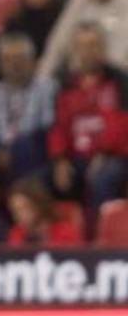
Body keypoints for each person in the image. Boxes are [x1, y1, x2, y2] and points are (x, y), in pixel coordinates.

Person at [47, 22, 128, 208]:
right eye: (82, 46)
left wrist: (104, 153)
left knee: (103, 178)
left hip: (115, 156)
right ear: (74, 51)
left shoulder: (120, 81)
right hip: (77, 158)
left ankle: (100, 228)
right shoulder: (65, 85)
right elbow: (58, 127)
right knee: (37, 183)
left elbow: (123, 125)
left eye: (93, 45)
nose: (88, 52)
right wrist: (60, 160)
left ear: (103, 48)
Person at [0, 32, 57, 181]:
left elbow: (48, 126)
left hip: (34, 152)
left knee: (25, 146)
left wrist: (14, 151)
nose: (14, 65)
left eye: (20, 58)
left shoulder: (47, 88)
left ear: (32, 61)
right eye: (8, 60)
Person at [38, 0, 128, 79]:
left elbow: (122, 47)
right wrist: (42, 77)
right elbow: (58, 43)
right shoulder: (78, 0)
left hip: (119, 76)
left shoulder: (125, 1)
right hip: (78, 75)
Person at [7, 178, 82, 246]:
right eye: (15, 210)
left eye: (24, 208)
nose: (18, 215)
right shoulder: (17, 234)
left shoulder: (65, 232)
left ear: (38, 204)